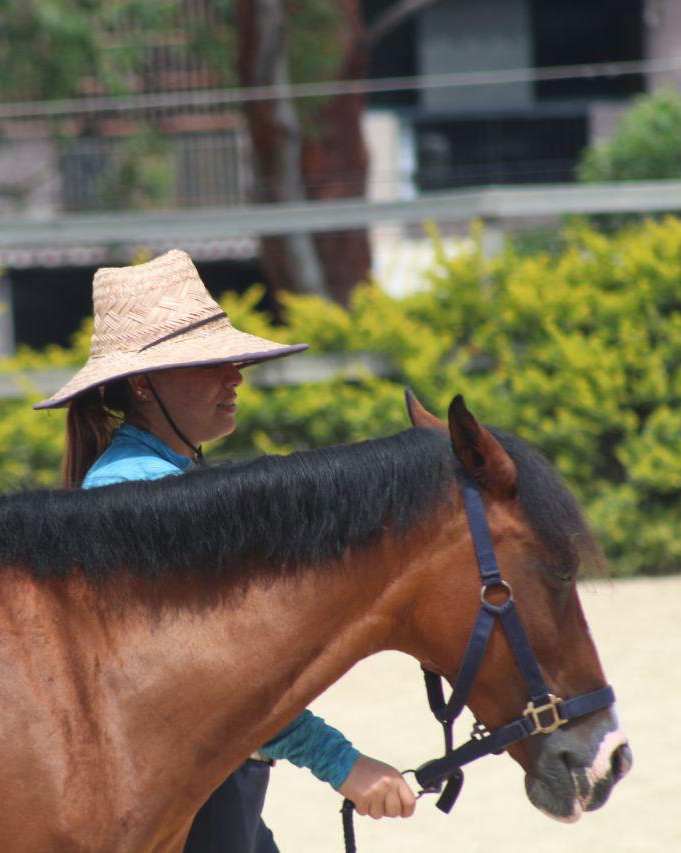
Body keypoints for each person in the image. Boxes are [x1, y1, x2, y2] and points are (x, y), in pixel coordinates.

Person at [34, 250, 416, 851]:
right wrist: (343, 764)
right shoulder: (133, 492)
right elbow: (216, 680)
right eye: (208, 363)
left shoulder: (162, 478)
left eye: (231, 359)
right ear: (141, 384)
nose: (234, 375)